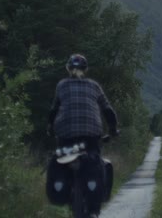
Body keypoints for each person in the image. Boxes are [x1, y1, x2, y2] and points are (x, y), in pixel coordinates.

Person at [47, 53, 118, 217]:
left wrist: (50, 128)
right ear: (85, 70)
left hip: (66, 136)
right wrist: (113, 129)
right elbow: (108, 110)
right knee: (96, 162)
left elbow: (53, 110)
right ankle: (93, 209)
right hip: (91, 136)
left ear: (68, 69)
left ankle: (67, 193)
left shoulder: (62, 85)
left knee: (62, 159)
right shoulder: (94, 86)